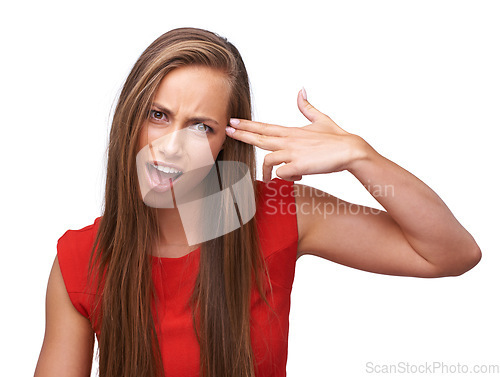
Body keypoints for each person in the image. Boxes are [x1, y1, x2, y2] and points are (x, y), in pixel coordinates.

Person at [34, 27, 481, 377]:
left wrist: (360, 157)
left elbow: (452, 254)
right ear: (129, 117)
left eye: (200, 127)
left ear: (224, 145)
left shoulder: (276, 213)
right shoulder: (80, 259)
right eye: (158, 115)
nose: (171, 146)